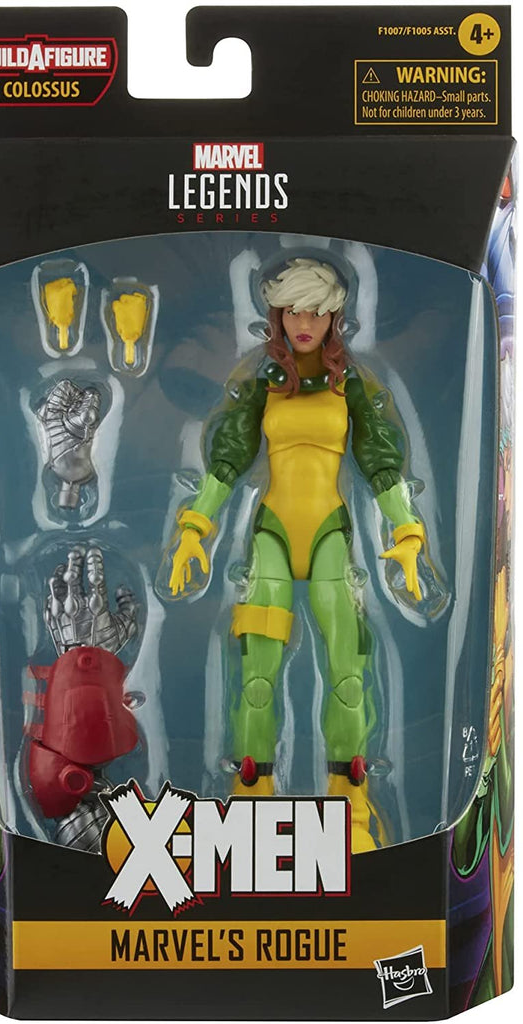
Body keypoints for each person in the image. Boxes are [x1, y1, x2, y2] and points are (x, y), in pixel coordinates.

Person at [168, 258, 424, 853]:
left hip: (331, 534)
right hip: (272, 537)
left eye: (315, 311)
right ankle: (252, 796)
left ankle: (351, 803)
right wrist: (194, 529)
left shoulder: (350, 383)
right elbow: (227, 460)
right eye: (292, 311)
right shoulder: (264, 382)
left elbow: (381, 461)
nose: (304, 323)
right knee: (257, 679)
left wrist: (409, 533)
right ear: (277, 316)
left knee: (348, 675)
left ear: (334, 316)